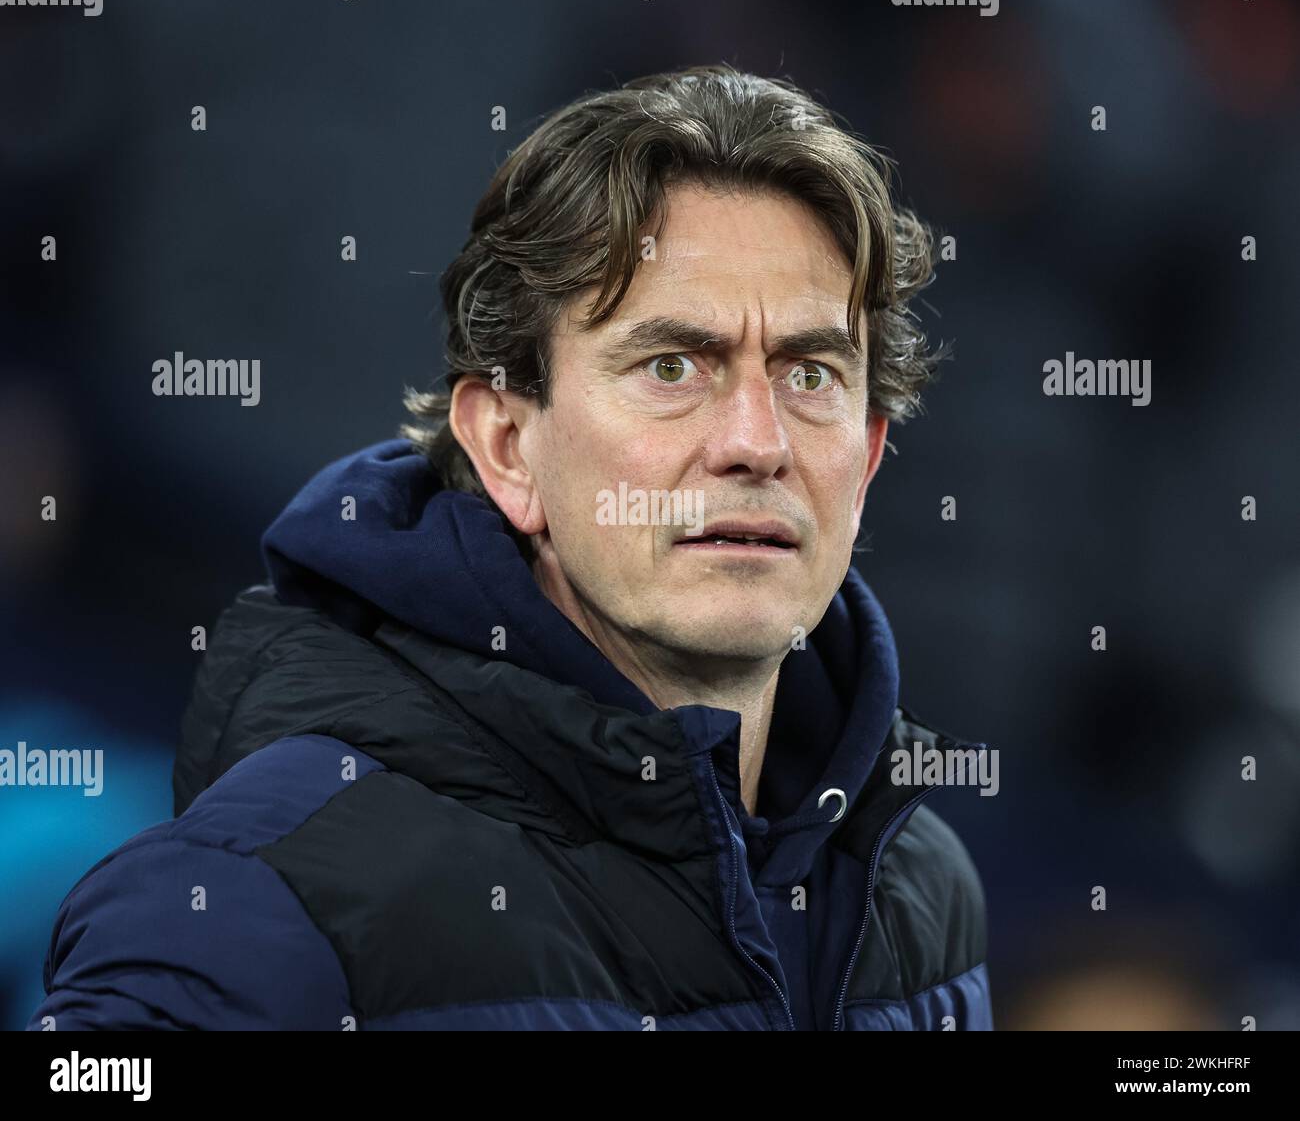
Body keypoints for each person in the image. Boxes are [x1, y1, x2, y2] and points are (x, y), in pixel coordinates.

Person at [30, 64, 992, 1031]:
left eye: (811, 374)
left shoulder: (918, 887)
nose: (757, 442)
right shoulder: (257, 898)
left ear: (867, 460)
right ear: (506, 447)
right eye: (671, 366)